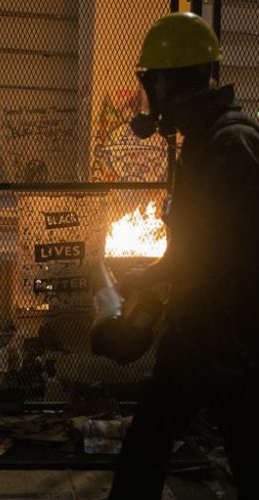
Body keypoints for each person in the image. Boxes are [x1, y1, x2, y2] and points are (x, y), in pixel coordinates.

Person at [106, 12, 259, 500]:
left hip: (224, 338)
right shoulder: (211, 140)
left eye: (152, 84)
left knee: (149, 442)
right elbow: (202, 246)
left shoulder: (229, 144)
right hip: (218, 335)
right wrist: (149, 281)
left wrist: (150, 288)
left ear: (171, 83)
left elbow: (223, 257)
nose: (149, 98)